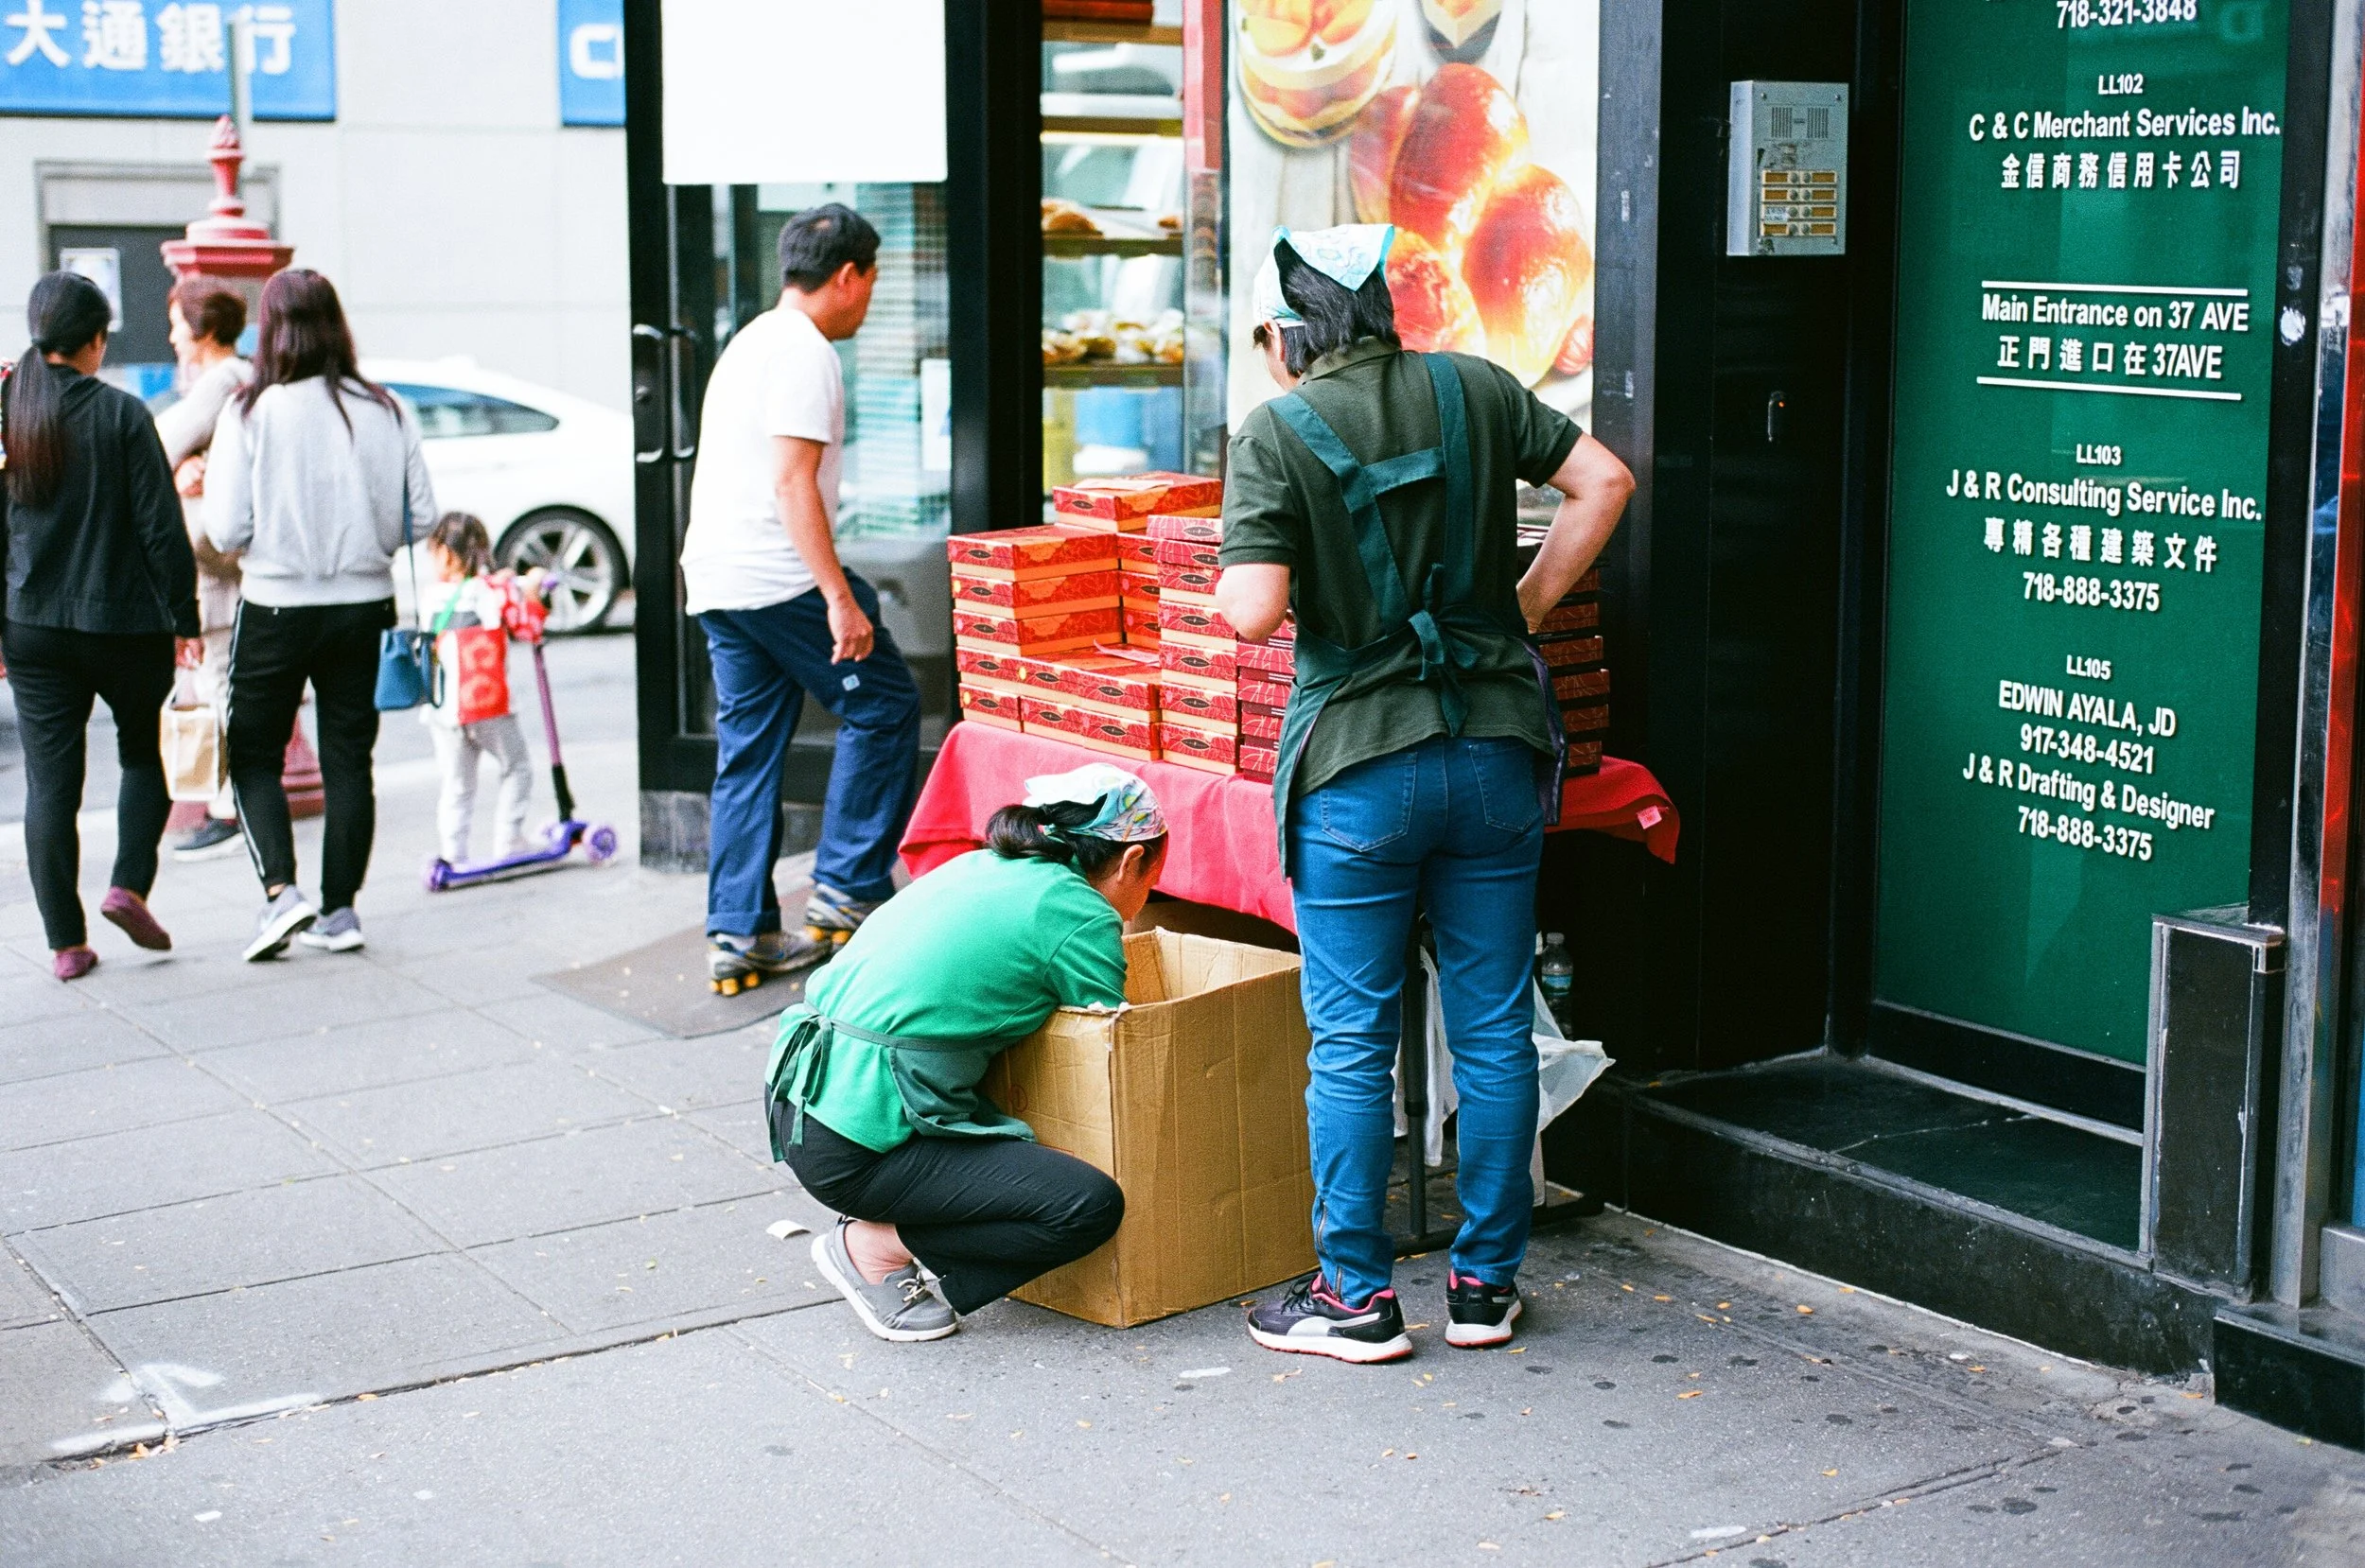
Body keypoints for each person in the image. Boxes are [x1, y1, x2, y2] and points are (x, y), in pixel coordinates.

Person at [1213, 225, 1634, 1362]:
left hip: (1357, 764)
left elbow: (1252, 609)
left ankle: (1354, 1296)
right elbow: (1603, 481)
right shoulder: (1477, 386)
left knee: (1351, 1038)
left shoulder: (1273, 431)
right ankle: (1485, 1286)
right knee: (1492, 1026)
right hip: (1495, 749)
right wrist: (1525, 604)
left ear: (1282, 334)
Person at [765, 764, 1164, 1341]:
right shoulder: (1078, 913)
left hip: (802, 1103)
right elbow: (1112, 1041)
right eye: (1153, 878)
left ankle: (891, 1228)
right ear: (1131, 862)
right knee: (1087, 1206)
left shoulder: (981, 864)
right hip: (861, 1146)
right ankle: (873, 1248)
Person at [679, 202, 922, 996]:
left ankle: (740, 932)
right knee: (885, 703)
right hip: (773, 576)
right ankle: (850, 884)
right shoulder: (803, 352)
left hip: (718, 577)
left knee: (748, 752)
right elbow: (792, 483)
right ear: (847, 276)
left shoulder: (751, 340)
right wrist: (838, 599)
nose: (870, 300)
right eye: (872, 283)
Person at [206, 268, 435, 961]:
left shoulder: (250, 412)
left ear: (269, 330)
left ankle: (281, 895)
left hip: (275, 604)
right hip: (365, 605)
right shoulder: (389, 409)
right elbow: (419, 517)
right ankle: (341, 912)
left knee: (250, 754)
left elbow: (224, 529)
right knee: (348, 759)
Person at [0, 270, 199, 980]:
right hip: (125, 625)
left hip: (32, 627)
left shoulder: (8, 411)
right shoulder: (121, 415)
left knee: (51, 786)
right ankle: (127, 885)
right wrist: (186, 617)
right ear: (90, 342)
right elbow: (161, 529)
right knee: (147, 755)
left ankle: (65, 944)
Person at [153, 277, 253, 861]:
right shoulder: (246, 376)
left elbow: (155, 445)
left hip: (214, 561)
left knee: (220, 680)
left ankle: (227, 807)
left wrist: (181, 465)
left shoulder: (220, 380)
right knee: (224, 678)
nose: (171, 335)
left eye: (176, 323)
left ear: (204, 329)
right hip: (237, 557)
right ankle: (230, 801)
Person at [418, 511, 544, 866]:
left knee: (457, 783)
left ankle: (453, 850)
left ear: (443, 554)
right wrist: (531, 591)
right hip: (488, 706)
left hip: (443, 711)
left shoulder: (430, 598)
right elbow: (529, 629)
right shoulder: (498, 590)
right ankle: (510, 838)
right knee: (516, 767)